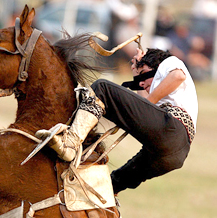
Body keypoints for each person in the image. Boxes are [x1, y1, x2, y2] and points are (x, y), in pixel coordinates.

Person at [36, 48, 198, 194]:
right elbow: (143, 107)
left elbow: (177, 76)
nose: (141, 82)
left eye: (144, 74)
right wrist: (137, 75)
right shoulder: (160, 92)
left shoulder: (169, 62)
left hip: (172, 129)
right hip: (173, 155)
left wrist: (147, 99)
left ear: (155, 65)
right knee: (112, 184)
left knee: (102, 88)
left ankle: (70, 143)